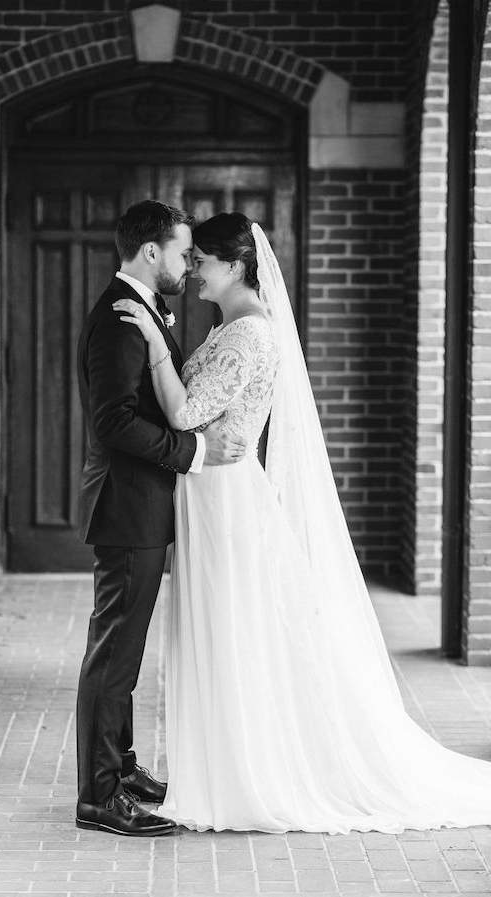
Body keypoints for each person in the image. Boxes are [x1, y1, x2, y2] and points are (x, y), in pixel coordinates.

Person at [115, 211, 491, 832]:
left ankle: (247, 775)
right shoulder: (230, 326)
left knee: (232, 635)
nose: (192, 272)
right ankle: (221, 768)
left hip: (225, 499)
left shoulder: (248, 335)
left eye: (200, 262)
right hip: (208, 493)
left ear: (232, 265)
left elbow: (183, 415)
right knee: (220, 632)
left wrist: (155, 346)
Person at [73, 200, 246, 837]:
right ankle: (99, 797)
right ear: (152, 252)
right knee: (114, 654)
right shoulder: (120, 319)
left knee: (123, 649)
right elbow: (114, 421)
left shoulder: (142, 311)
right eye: (181, 251)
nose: (187, 262)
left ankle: (121, 770)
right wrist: (194, 452)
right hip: (127, 504)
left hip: (143, 503)